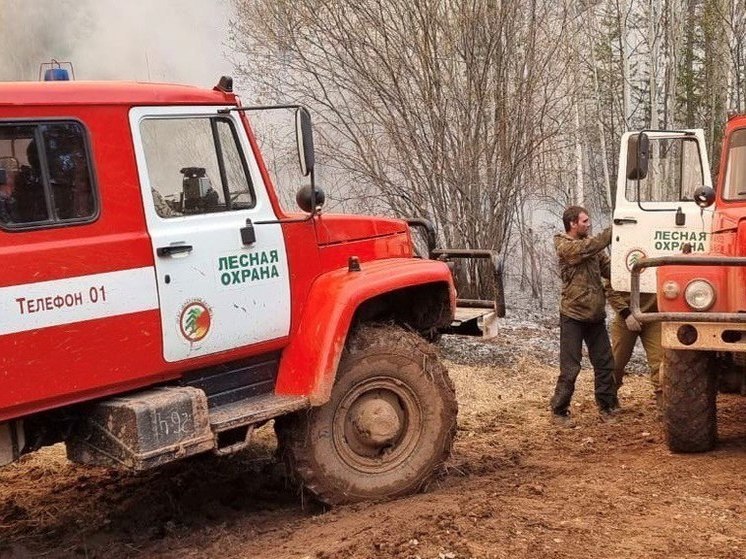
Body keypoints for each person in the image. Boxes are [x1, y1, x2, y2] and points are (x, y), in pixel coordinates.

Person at [550, 206, 618, 426]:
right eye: (585, 221)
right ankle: (559, 410)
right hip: (573, 315)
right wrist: (613, 230)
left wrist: (633, 264)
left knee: (605, 363)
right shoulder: (564, 245)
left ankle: (607, 407)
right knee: (570, 367)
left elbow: (610, 269)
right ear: (572, 224)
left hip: (595, 315)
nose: (589, 224)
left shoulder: (593, 248)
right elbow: (588, 247)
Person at [605, 285, 662, 407]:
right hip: (625, 316)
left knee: (661, 363)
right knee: (616, 362)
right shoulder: (619, 266)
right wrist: (626, 314)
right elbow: (610, 287)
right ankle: (608, 402)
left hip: (654, 315)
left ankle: (664, 404)